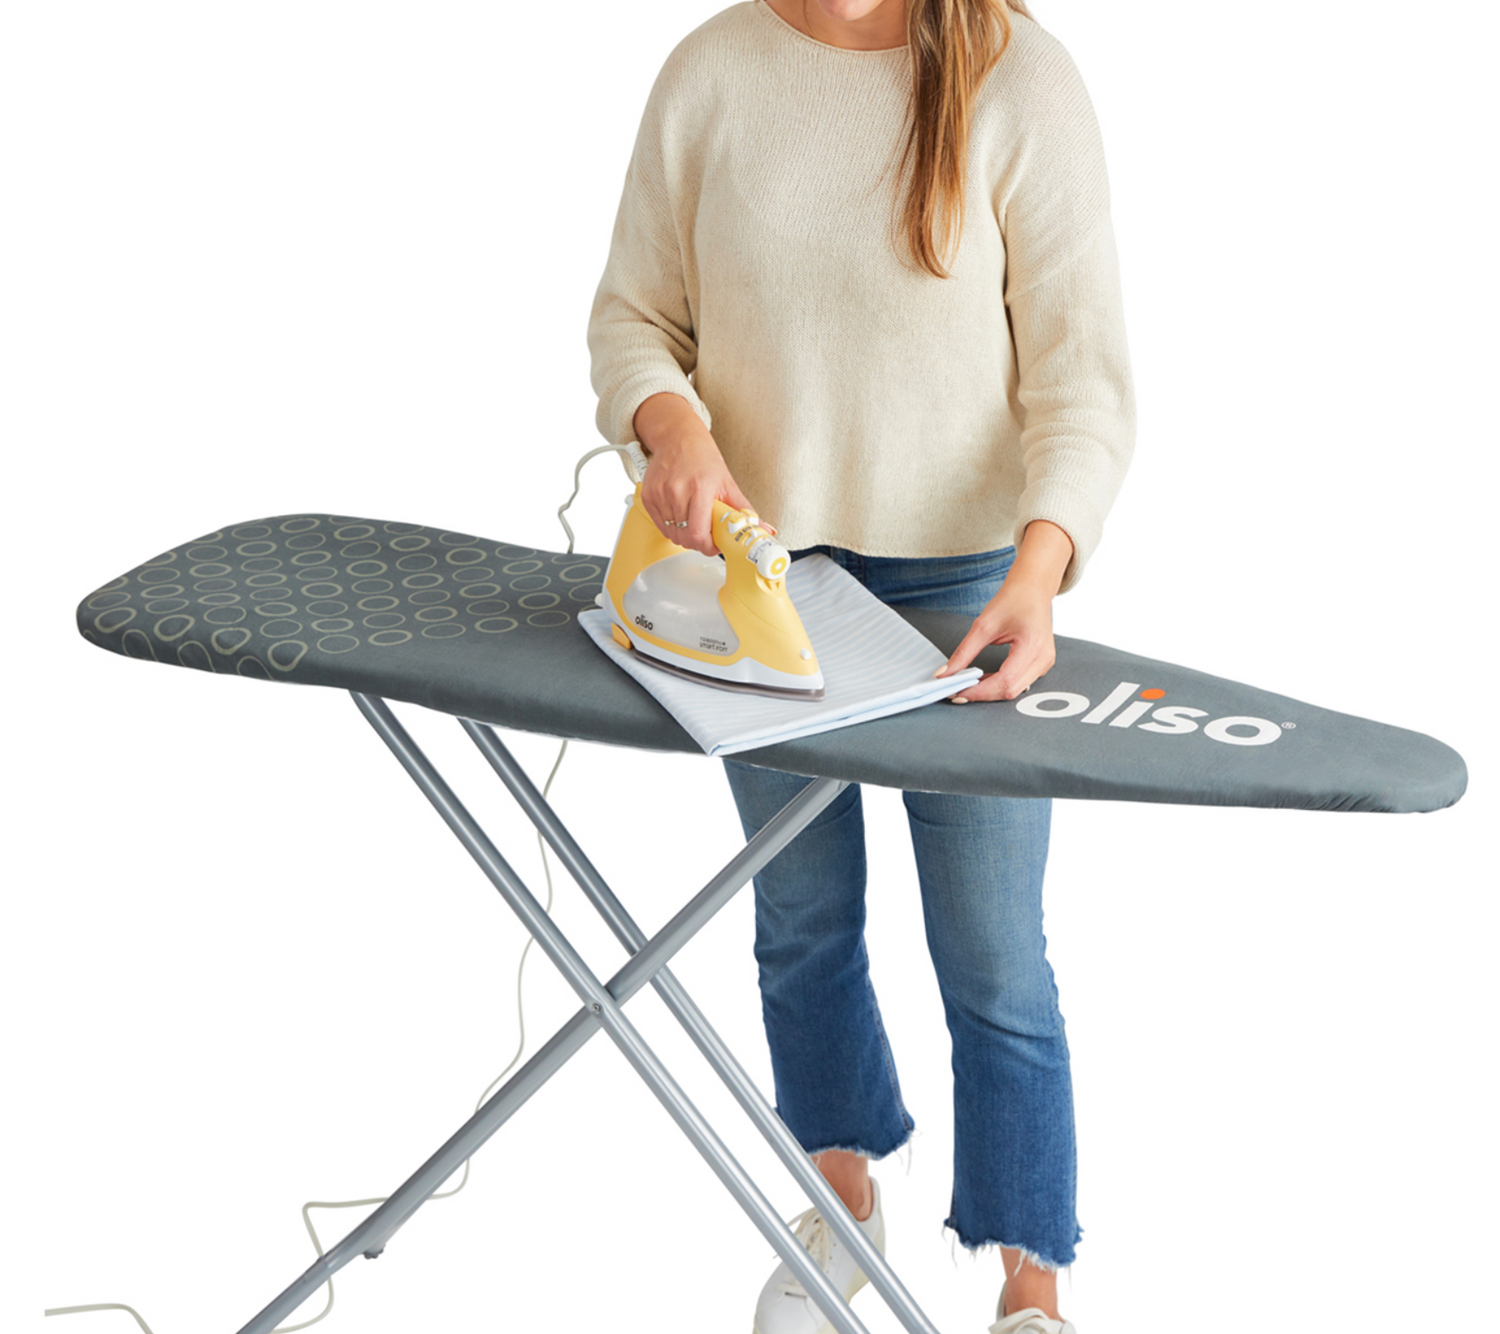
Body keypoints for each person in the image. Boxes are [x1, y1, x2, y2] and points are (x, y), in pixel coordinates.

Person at [588, 1, 1134, 1330]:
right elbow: (632, 322)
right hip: (758, 583)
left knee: (995, 951)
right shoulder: (711, 75)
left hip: (966, 592)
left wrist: (1039, 571)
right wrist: (674, 431)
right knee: (804, 919)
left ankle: (1030, 1285)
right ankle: (838, 1200)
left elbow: (1084, 377)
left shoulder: (1022, 79)